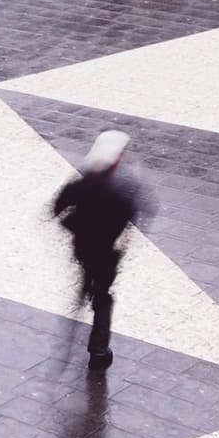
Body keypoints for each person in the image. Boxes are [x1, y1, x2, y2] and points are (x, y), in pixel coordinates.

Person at [52, 131, 148, 369]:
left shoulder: (82, 183)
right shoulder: (121, 191)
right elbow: (136, 214)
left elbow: (56, 208)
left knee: (89, 278)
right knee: (103, 298)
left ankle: (82, 296)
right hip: (105, 254)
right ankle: (99, 350)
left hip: (82, 248)